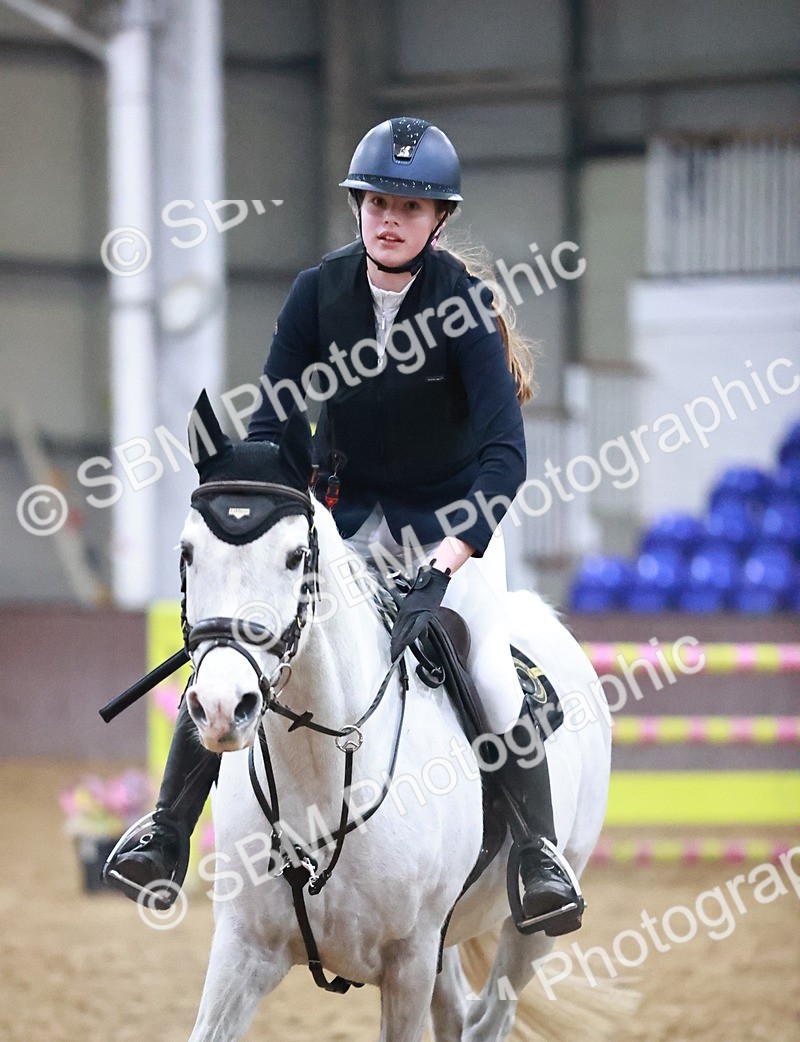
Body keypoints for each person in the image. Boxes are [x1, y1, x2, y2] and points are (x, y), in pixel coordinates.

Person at [107, 117, 583, 936]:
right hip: (345, 521)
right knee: (241, 643)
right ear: (358, 208)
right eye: (377, 202)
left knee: (492, 674)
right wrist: (252, 490)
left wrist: (453, 550)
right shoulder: (315, 294)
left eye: (410, 205)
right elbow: (274, 421)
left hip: (451, 524)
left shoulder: (464, 307)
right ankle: (166, 830)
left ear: (439, 221)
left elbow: (505, 457)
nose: (390, 218)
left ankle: (538, 854)